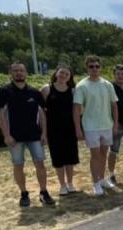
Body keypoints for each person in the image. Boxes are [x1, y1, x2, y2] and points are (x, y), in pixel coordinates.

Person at [0, 62, 55, 207]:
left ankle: (44, 192)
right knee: (18, 165)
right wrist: (6, 135)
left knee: (40, 163)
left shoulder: (34, 92)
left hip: (34, 135)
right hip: (15, 137)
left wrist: (44, 133)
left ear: (26, 73)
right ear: (10, 73)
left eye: (21, 70)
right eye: (15, 71)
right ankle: (24, 194)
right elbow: (1, 115)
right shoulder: (4, 91)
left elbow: (42, 114)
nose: (19, 73)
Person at [73, 55, 119, 197]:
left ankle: (102, 178)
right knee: (95, 156)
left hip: (107, 125)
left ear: (100, 68)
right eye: (91, 66)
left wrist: (115, 123)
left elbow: (114, 105)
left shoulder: (107, 84)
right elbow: (76, 109)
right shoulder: (82, 86)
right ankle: (96, 183)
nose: (94, 69)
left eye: (97, 66)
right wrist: (78, 129)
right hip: (91, 127)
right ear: (87, 68)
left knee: (104, 154)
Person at [40, 64, 79, 197]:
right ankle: (62, 185)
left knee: (70, 157)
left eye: (66, 74)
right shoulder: (46, 89)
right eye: (61, 73)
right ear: (56, 73)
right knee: (58, 157)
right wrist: (43, 132)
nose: (63, 76)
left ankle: (70, 183)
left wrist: (78, 128)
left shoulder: (73, 91)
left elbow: (76, 111)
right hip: (53, 128)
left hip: (69, 128)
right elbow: (41, 112)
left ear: (70, 77)